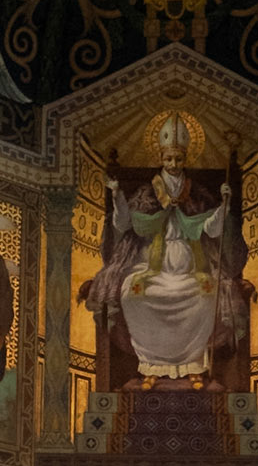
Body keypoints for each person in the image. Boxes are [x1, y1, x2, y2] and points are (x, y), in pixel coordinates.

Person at [81, 115, 232, 390]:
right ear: (161, 158)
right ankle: (151, 365)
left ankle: (194, 366)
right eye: (168, 159)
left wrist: (224, 204)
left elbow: (211, 229)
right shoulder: (148, 192)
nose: (173, 164)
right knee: (132, 293)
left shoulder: (196, 193)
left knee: (207, 294)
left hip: (191, 267)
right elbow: (125, 224)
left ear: (184, 159)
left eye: (178, 159)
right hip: (151, 265)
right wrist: (116, 196)